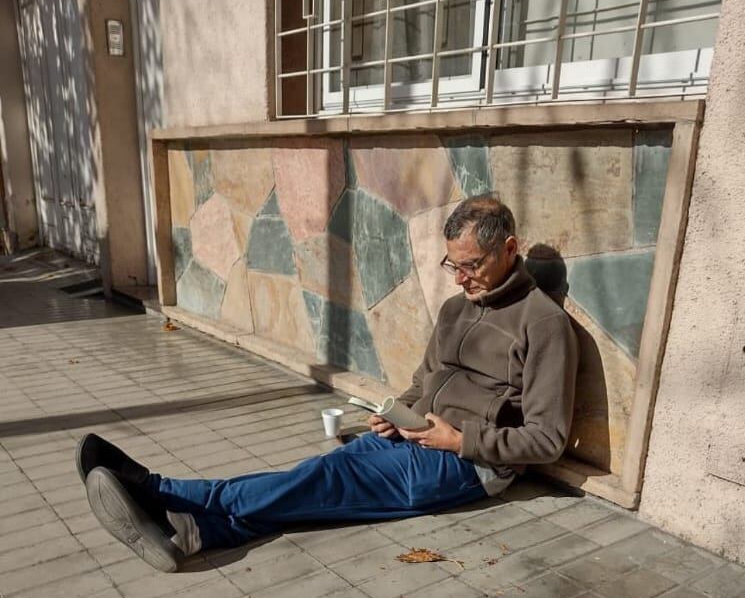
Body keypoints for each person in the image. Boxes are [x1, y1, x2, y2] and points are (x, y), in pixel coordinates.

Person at [78, 196, 579, 573]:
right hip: (409, 437)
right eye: (453, 264)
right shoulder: (455, 310)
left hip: (466, 466)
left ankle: (161, 491)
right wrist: (397, 411)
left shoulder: (543, 324)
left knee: (320, 485)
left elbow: (547, 438)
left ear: (509, 249)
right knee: (313, 481)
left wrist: (461, 440)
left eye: (471, 265)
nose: (459, 279)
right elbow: (424, 380)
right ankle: (191, 532)